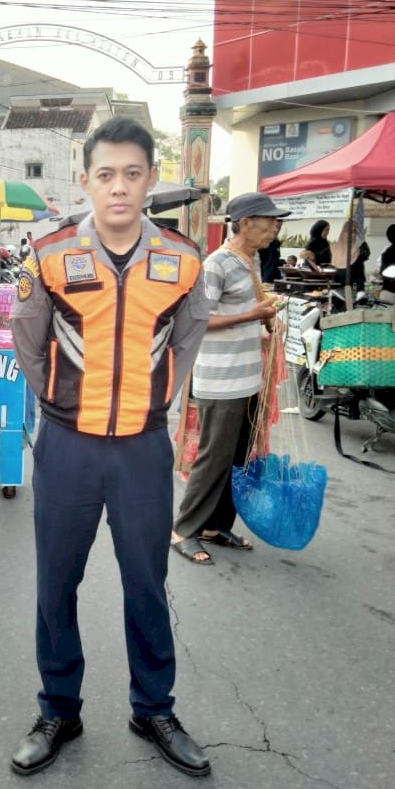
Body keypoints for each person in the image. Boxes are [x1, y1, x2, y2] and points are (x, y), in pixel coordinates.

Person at [10, 116, 211, 779]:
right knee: (55, 584)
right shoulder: (51, 254)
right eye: (105, 175)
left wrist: (160, 405)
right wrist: (60, 409)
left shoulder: (182, 259)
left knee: (146, 585)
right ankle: (58, 709)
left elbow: (189, 336)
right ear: (85, 180)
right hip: (67, 448)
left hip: (141, 452)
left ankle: (153, 706)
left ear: (150, 179)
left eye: (132, 174)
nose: (119, 187)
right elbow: (28, 342)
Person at [172, 191, 290, 566]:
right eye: (268, 221)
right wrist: (251, 315)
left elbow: (246, 310)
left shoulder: (249, 260)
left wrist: (264, 316)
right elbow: (197, 321)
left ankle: (215, 526)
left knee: (237, 459)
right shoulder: (217, 264)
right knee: (214, 458)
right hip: (220, 381)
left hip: (246, 378)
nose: (275, 228)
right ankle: (182, 531)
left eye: (276, 222)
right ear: (243, 224)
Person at [330, 219, 370, 291]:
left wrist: (361, 241)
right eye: (348, 231)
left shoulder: (360, 246)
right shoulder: (334, 247)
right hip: (338, 283)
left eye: (354, 231)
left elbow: (365, 255)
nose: (350, 234)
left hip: (356, 284)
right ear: (343, 232)